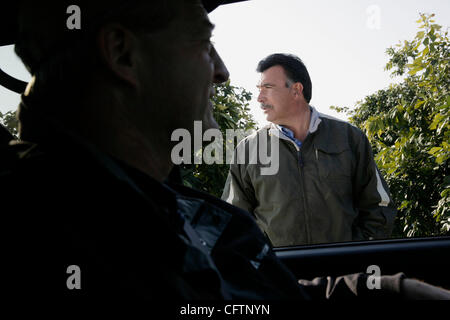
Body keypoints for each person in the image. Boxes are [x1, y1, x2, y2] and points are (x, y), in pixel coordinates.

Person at [0, 0, 448, 304]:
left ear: (298, 90)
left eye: (267, 87)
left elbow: (258, 294)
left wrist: (389, 287)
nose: (221, 70)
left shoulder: (157, 205)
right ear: (122, 54)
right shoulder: (64, 229)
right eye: (202, 42)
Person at [222, 53, 397, 246]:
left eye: (268, 88)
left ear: (296, 90)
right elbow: (233, 218)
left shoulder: (349, 137)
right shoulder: (248, 149)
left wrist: (360, 252)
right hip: (281, 272)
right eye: (259, 89)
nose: (259, 97)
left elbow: (379, 205)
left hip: (345, 270)